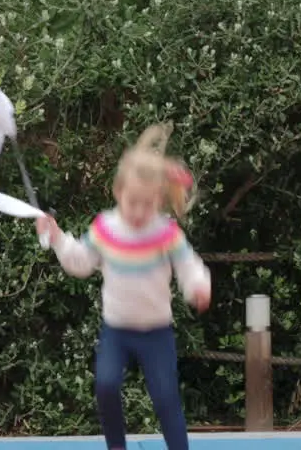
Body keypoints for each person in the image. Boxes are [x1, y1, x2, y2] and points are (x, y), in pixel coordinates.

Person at [35, 123, 211, 450]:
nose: (139, 211)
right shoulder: (105, 229)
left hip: (156, 333)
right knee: (105, 385)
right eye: (133, 202)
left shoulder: (166, 233)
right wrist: (57, 236)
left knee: (165, 398)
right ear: (118, 192)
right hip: (116, 331)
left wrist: (198, 286)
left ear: (158, 200)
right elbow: (80, 262)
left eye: (147, 204)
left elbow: (189, 266)